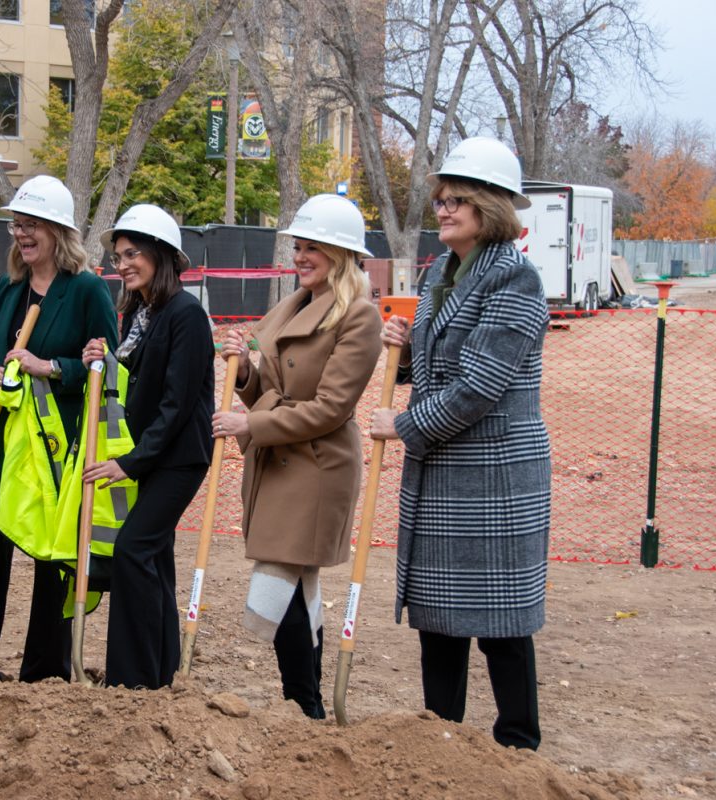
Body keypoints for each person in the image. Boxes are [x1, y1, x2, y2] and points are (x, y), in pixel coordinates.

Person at [369, 136, 550, 750]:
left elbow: (479, 387)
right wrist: (407, 348)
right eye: (441, 200)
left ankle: (518, 745)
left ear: (490, 207)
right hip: (444, 472)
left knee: (500, 622)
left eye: (457, 200)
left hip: (494, 477)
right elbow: (443, 366)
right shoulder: (441, 272)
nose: (443, 210)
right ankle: (442, 745)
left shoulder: (516, 280)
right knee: (440, 619)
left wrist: (404, 426)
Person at [0, 175, 118, 682]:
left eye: (33, 224)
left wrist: (53, 367)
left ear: (59, 232)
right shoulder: (9, 287)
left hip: (55, 443)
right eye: (18, 224)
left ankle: (45, 667)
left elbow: (107, 365)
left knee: (50, 552)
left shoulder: (85, 290)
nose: (22, 234)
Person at [212, 194, 382, 719]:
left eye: (314, 248)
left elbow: (331, 408)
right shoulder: (295, 306)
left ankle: (302, 702)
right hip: (282, 459)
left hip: (317, 465)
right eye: (299, 247)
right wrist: (243, 375)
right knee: (299, 584)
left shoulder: (359, 316)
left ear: (341, 254)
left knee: (278, 578)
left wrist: (251, 423)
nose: (301, 257)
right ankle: (305, 704)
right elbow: (271, 386)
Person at [81, 204, 214, 690]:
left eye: (133, 253)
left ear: (161, 254)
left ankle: (131, 679)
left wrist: (129, 464)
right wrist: (101, 359)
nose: (123, 264)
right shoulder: (143, 312)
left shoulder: (187, 315)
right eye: (118, 257)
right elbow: (137, 384)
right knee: (153, 555)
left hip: (178, 457)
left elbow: (177, 405)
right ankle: (161, 673)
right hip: (153, 454)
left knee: (134, 549)